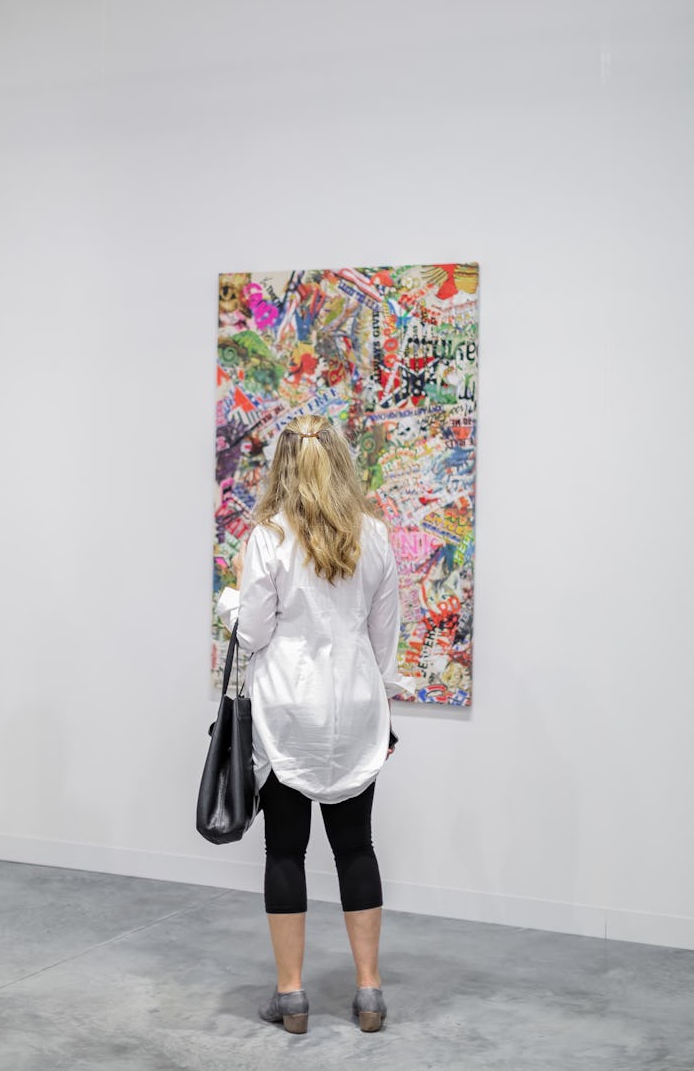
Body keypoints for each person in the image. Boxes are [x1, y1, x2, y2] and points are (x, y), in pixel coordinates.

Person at [216, 413, 410, 1035]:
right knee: (356, 845)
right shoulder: (375, 537)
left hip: (287, 711)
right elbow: (385, 645)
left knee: (285, 850)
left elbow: (252, 633)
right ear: (341, 462)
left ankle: (293, 996)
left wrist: (227, 605)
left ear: (283, 466)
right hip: (355, 707)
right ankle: (370, 992)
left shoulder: (267, 538)